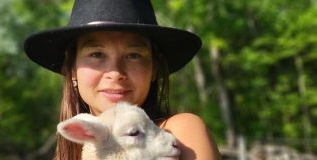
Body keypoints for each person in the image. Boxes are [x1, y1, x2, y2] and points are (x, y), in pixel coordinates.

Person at [24, 0, 221, 159]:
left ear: (154, 68)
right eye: (97, 54)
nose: (115, 72)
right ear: (72, 69)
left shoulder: (180, 133)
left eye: (134, 55)